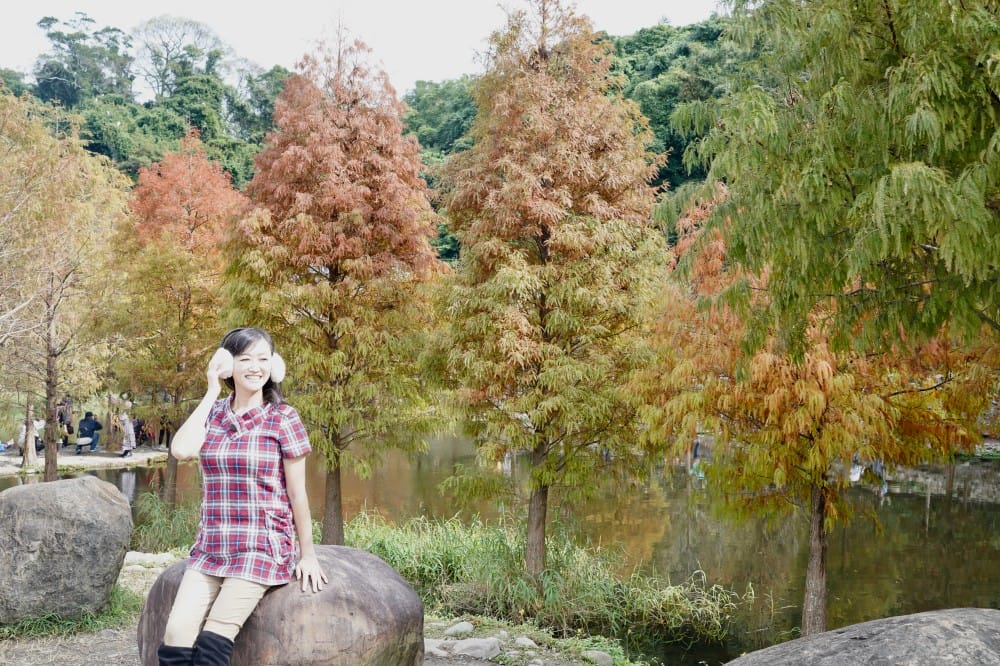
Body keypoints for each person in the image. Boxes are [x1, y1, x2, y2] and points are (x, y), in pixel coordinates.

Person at [157, 327, 326, 666]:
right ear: (226, 364)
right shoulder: (214, 414)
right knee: (175, 637)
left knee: (213, 641)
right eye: (245, 358)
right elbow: (180, 450)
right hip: (212, 545)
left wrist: (307, 555)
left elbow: (298, 494)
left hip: (261, 547)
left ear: (274, 366)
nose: (255, 367)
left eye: (263, 359)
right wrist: (210, 390)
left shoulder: (283, 418)